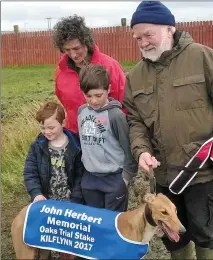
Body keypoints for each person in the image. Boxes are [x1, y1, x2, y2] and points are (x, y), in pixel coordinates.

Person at [123, 1, 213, 259]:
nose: (143, 42)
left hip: (199, 172)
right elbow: (135, 122)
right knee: (173, 236)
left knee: (203, 230)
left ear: (169, 29)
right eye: (138, 38)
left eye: (148, 35)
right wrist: (142, 151)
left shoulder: (204, 57)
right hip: (163, 174)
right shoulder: (134, 77)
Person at [23, 101, 84, 259]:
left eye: (51, 128)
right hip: (45, 203)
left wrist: (76, 199)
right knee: (45, 244)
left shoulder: (75, 145)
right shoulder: (37, 146)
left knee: (68, 244)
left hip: (69, 204)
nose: (46, 132)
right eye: (43, 128)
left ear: (63, 122)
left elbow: (80, 175)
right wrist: (36, 193)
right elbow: (30, 172)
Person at [77, 63, 138, 212]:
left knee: (113, 223)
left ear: (108, 89)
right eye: (88, 96)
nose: (94, 101)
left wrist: (125, 178)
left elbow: (128, 147)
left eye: (99, 95)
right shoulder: (81, 112)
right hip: (90, 178)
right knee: (94, 222)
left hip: (114, 179)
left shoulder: (116, 116)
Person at [53, 15, 126, 134]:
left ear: (87, 42)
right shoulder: (60, 72)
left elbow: (125, 105)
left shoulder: (110, 66)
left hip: (107, 139)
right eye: (67, 50)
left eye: (77, 48)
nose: (73, 55)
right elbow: (65, 103)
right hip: (75, 137)